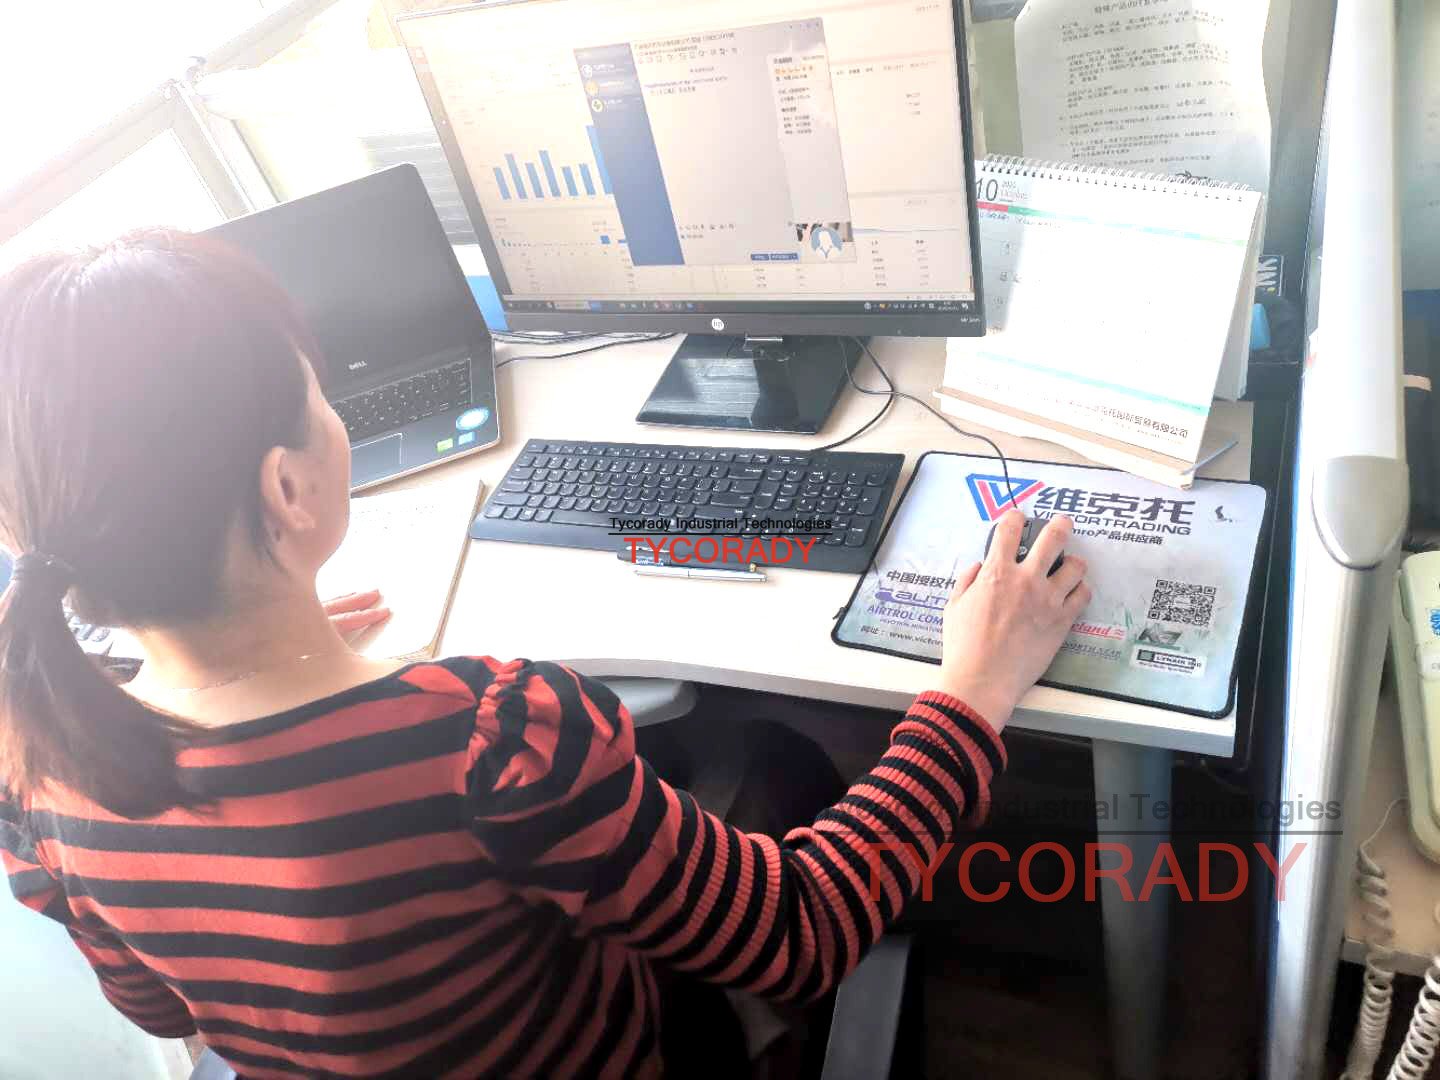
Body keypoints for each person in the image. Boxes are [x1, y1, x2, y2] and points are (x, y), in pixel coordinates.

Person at [0, 230, 1089, 1079]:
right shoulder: (488, 741)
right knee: (784, 762)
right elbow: (798, 932)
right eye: (322, 399)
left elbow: (164, 1009)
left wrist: (281, 653)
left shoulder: (42, 772)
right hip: (631, 1055)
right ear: (287, 490)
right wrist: (974, 685)